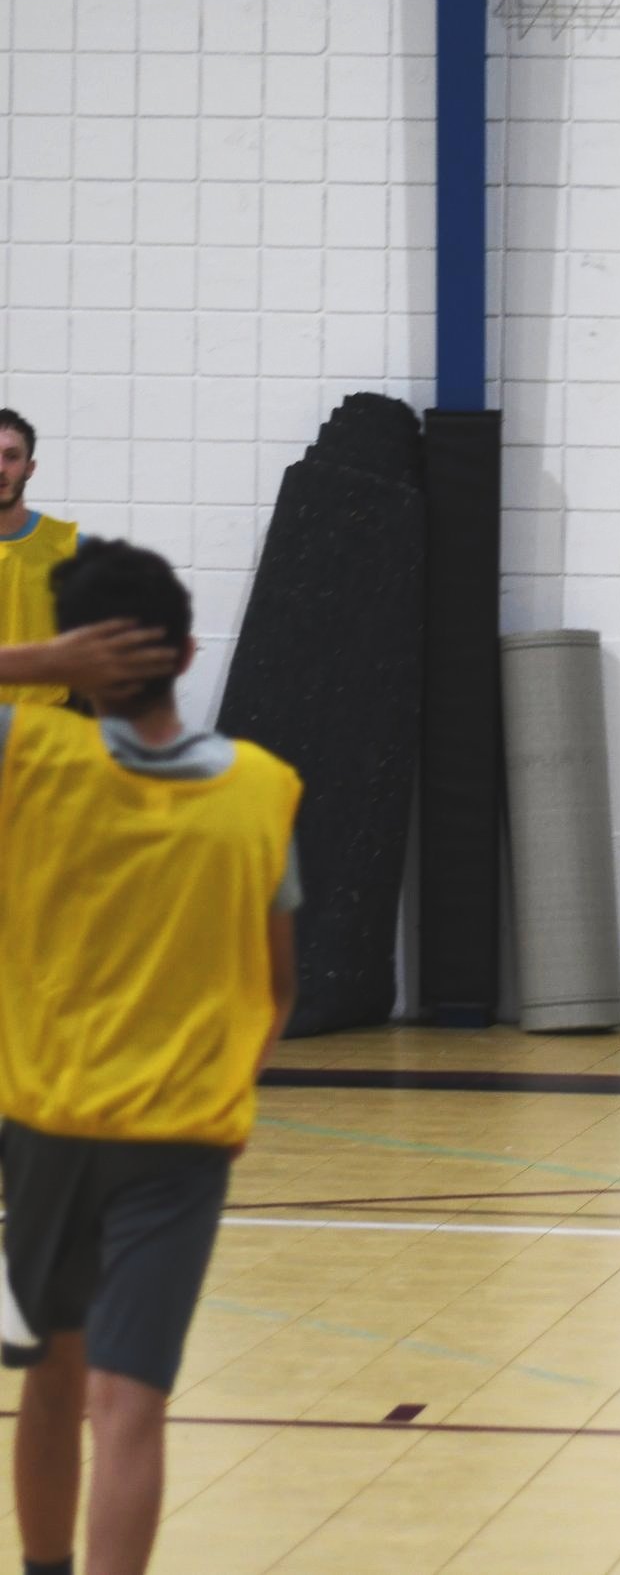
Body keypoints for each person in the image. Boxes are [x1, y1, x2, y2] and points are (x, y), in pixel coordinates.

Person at [0, 541, 302, 1575]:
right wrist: (226, 1081)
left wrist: (32, 666)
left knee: (49, 1382)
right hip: (178, 1141)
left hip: (43, 1132)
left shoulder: (29, 755)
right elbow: (279, 986)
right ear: (189, 651)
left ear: (76, 656)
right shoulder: (263, 789)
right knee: (130, 1404)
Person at [0, 410, 86, 708]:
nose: (1, 468)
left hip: (46, 719)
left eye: (11, 456)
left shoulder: (68, 546)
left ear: (29, 467)